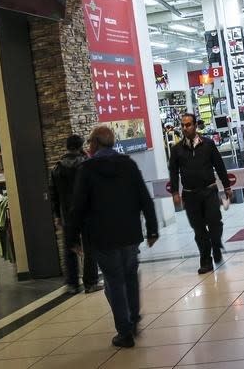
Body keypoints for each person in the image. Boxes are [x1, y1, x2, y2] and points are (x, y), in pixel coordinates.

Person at [67, 126, 159, 348]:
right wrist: (152, 229)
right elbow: (144, 197)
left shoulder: (87, 169)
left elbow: (78, 206)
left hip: (102, 236)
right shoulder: (128, 164)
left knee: (114, 282)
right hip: (130, 234)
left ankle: (124, 331)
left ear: (95, 144)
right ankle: (133, 318)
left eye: (90, 142)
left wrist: (72, 238)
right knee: (129, 276)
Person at [169, 113, 232, 274]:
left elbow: (219, 166)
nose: (185, 128)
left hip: (209, 190)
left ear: (195, 126)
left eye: (188, 124)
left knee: (215, 222)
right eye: (183, 125)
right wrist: (175, 192)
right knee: (199, 230)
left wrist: (226, 186)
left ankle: (216, 245)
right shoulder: (176, 150)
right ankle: (205, 260)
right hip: (190, 195)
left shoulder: (208, 144)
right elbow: (173, 172)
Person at [48, 135, 102, 293]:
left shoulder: (57, 168)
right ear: (80, 146)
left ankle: (72, 284)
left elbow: (53, 194)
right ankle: (90, 282)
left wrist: (57, 214)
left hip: (67, 215)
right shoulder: (87, 164)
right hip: (87, 213)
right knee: (89, 247)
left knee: (70, 247)